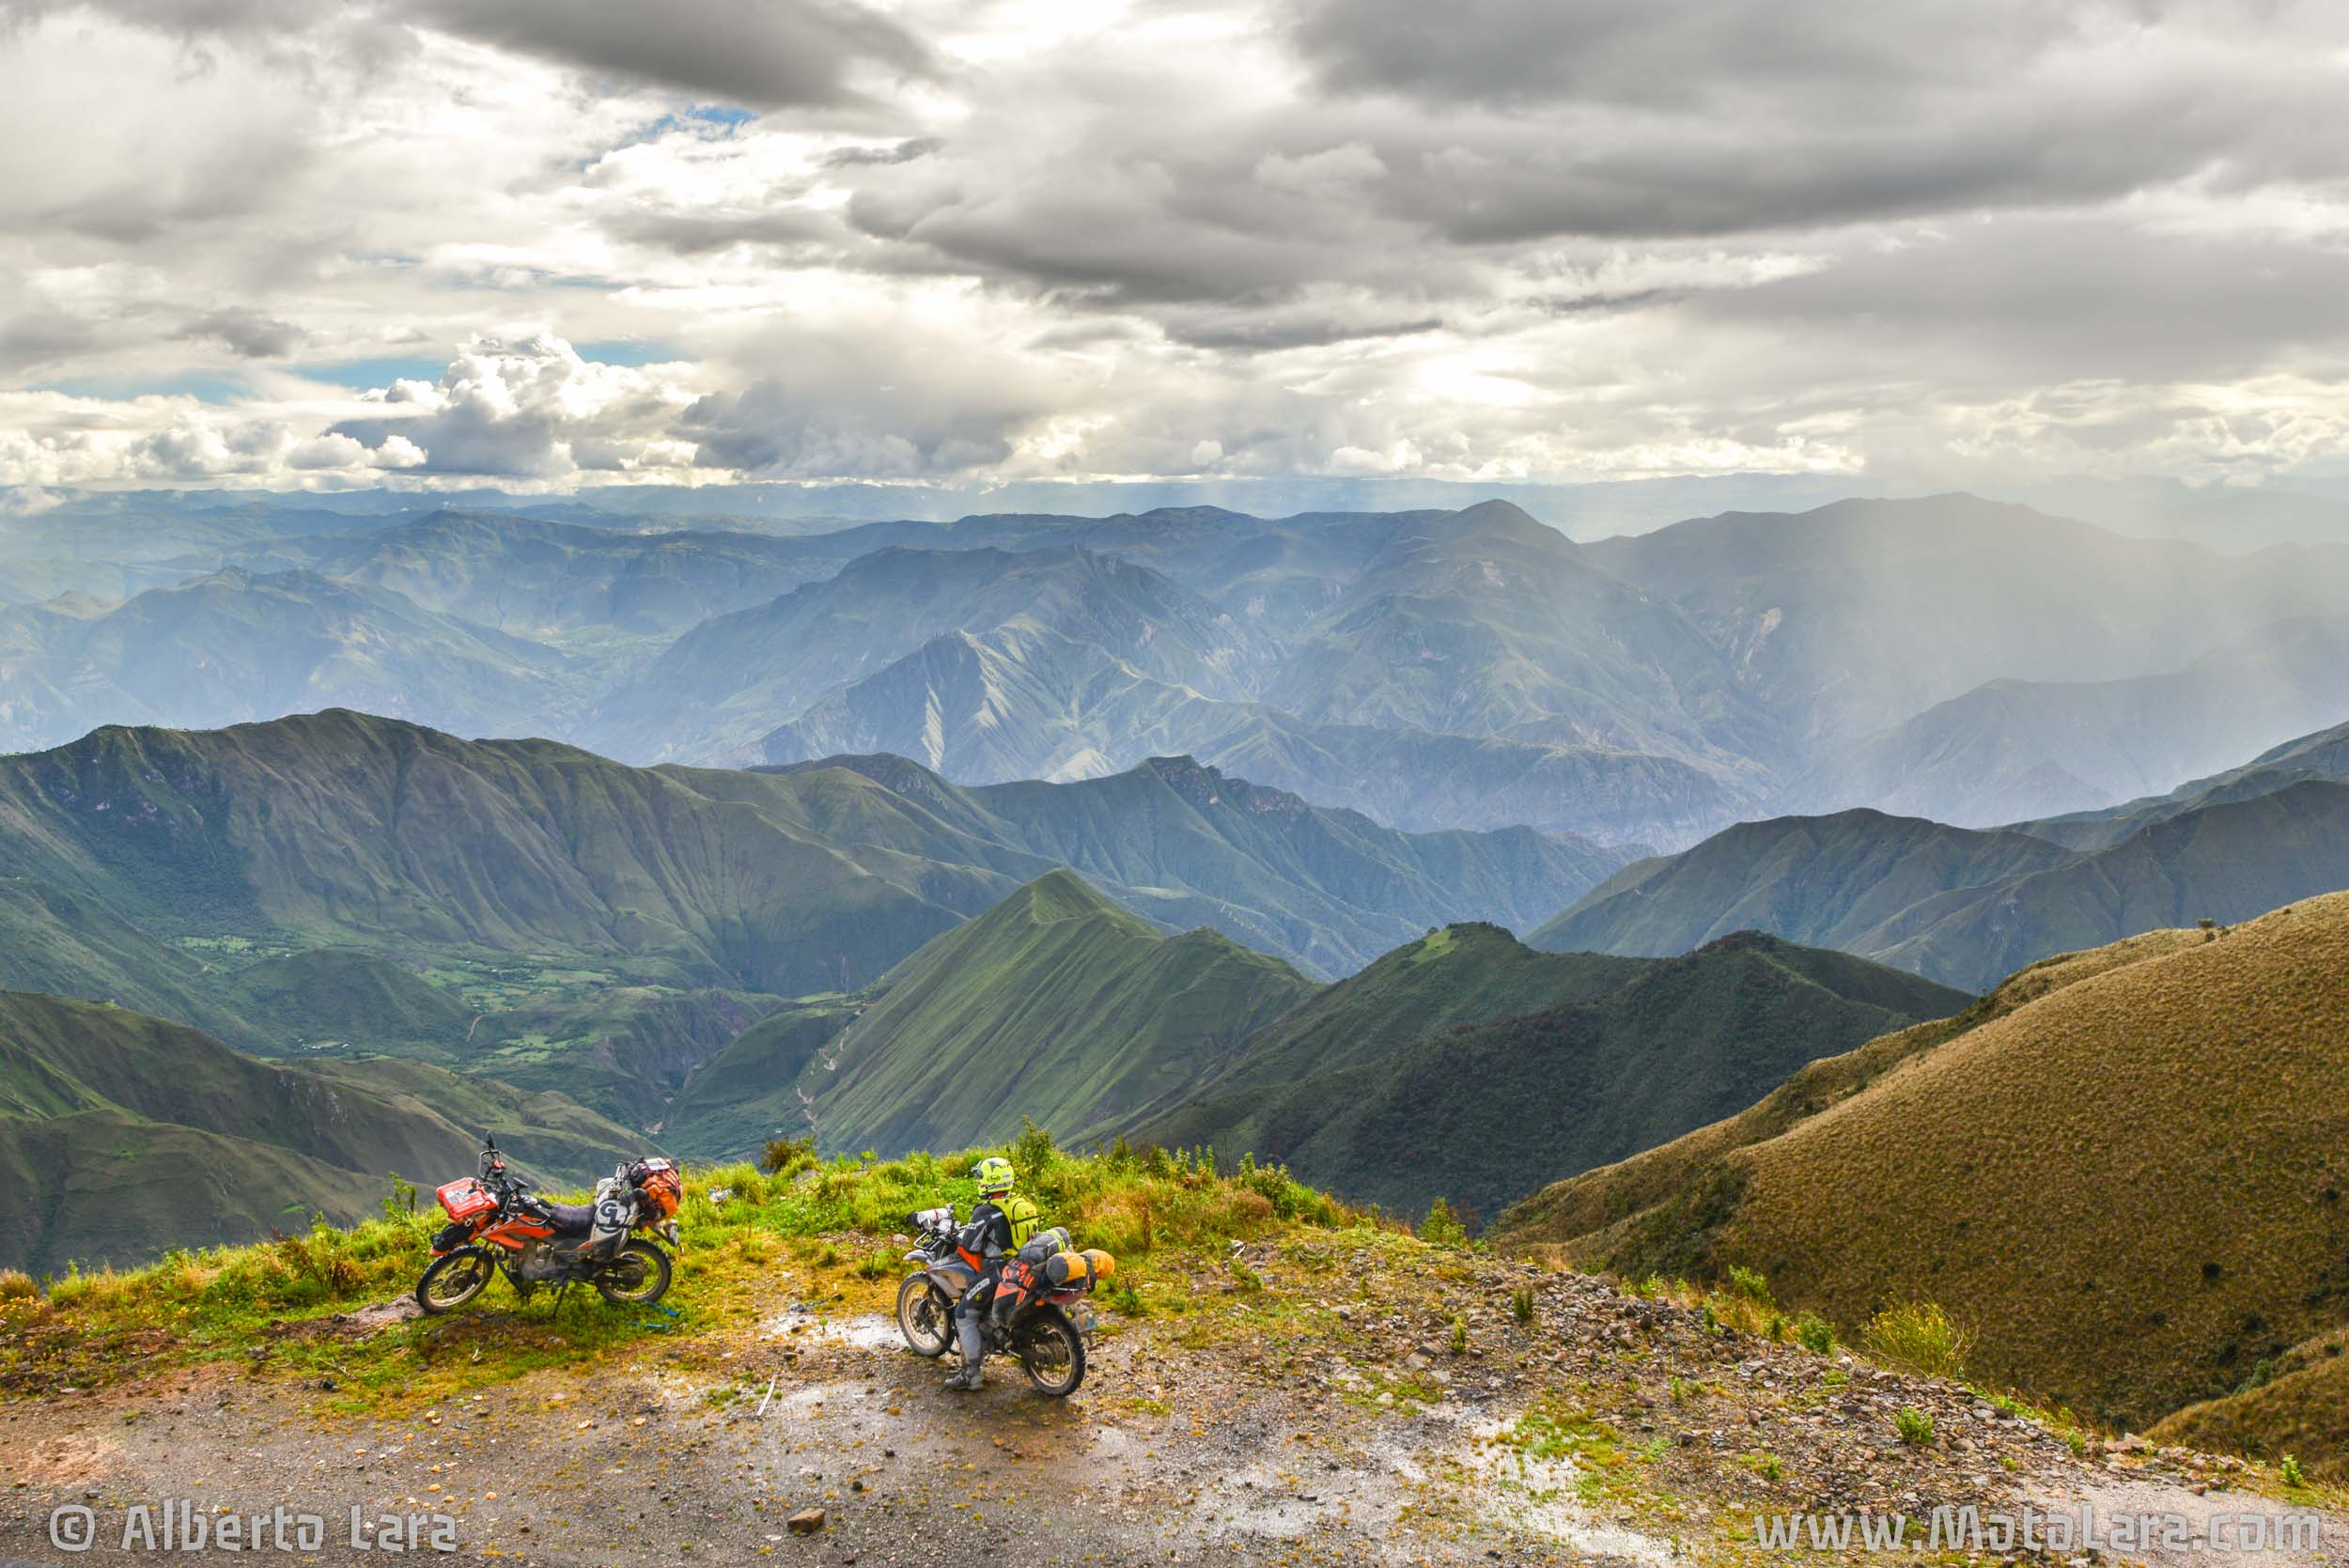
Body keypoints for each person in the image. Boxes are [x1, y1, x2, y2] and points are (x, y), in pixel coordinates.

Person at [945, 1155, 1040, 1390]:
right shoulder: (1022, 1204)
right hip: (1027, 1264)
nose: (979, 1181)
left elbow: (970, 1247)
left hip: (999, 1269)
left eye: (981, 1177)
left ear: (990, 1181)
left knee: (963, 1315)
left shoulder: (986, 1211)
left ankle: (971, 1375)